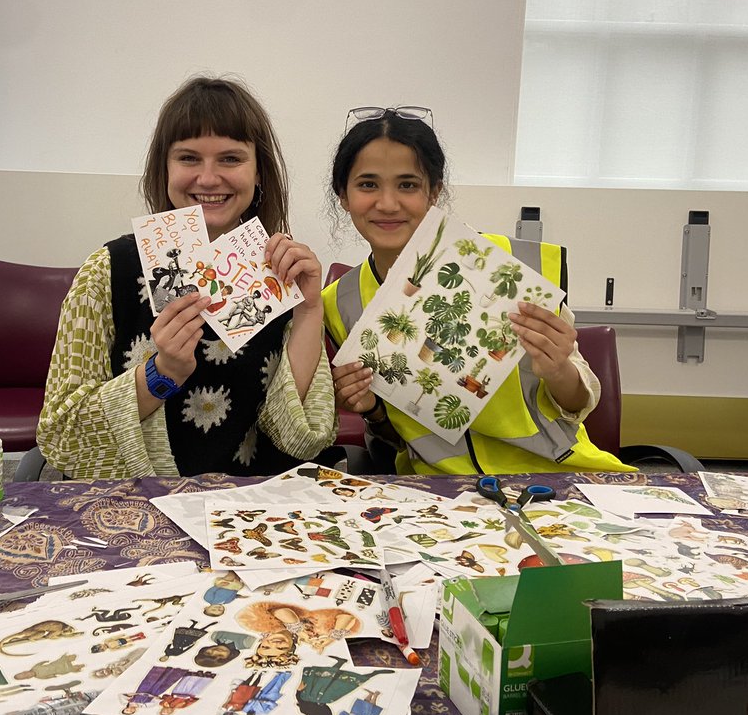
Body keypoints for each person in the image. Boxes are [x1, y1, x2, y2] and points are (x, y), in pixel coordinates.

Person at [38, 75, 336, 478]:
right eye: (188, 158)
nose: (209, 178)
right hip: (138, 507)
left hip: (248, 508)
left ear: (259, 171)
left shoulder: (279, 274)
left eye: (231, 158)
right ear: (163, 167)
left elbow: (293, 434)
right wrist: (162, 374)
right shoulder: (107, 271)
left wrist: (309, 310)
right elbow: (62, 433)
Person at [322, 106, 633, 476]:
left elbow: (582, 399)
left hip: (553, 477)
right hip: (437, 494)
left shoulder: (510, 267)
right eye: (367, 184)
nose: (388, 203)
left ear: (433, 192)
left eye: (408, 184)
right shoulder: (339, 304)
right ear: (343, 196)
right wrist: (371, 410)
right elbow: (395, 437)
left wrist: (558, 369)